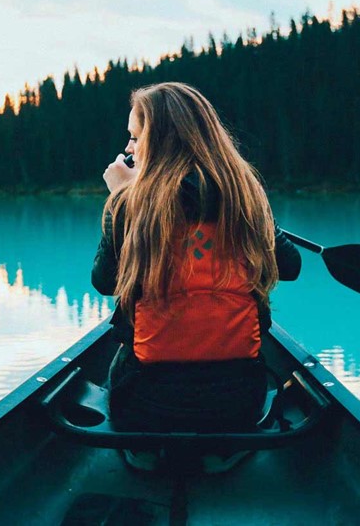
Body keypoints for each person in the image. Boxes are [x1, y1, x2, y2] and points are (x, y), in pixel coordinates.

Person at [91, 82, 301, 471]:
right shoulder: (245, 195)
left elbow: (104, 282)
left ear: (158, 140)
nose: (129, 149)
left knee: (121, 350)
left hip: (146, 407)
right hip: (237, 407)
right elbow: (290, 268)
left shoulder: (129, 203)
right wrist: (261, 217)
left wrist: (120, 198)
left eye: (136, 138)